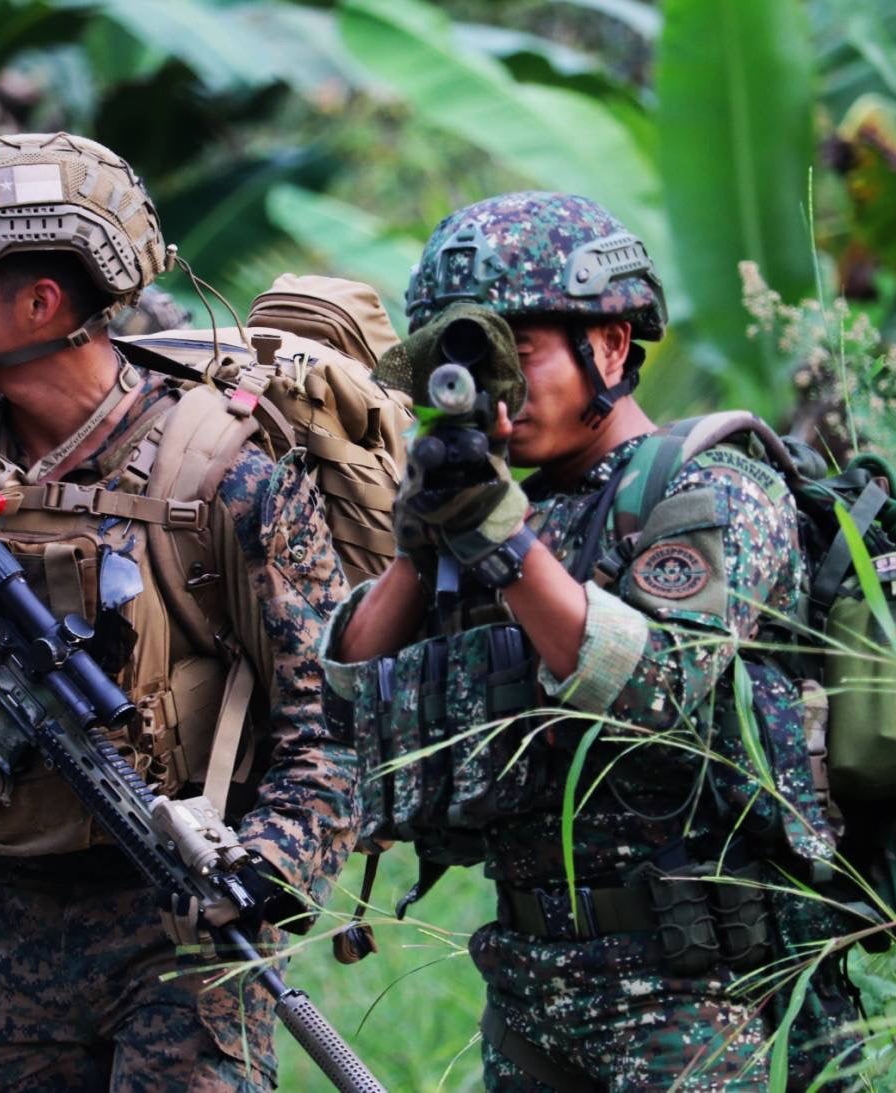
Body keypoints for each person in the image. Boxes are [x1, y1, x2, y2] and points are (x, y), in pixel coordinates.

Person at [0, 132, 358, 1091]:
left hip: (186, 921)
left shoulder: (225, 474)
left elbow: (336, 719)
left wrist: (267, 862)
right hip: (18, 915)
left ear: (41, 302)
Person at [320, 192, 859, 1090]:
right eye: (470, 363)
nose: (499, 391)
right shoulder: (512, 513)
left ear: (609, 344)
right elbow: (345, 698)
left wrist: (498, 535)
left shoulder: (716, 491)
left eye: (518, 355)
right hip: (534, 984)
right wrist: (424, 538)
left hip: (701, 988)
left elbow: (653, 686)